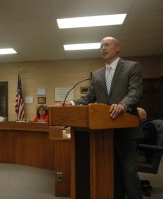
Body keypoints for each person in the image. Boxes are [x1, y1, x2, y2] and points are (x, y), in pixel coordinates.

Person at [55, 36, 143, 199]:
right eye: (101, 46)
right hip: (103, 132)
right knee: (111, 172)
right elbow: (88, 98)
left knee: (129, 171)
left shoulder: (132, 67)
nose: (103, 48)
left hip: (125, 130)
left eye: (107, 45)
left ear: (117, 48)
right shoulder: (96, 75)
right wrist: (72, 103)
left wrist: (123, 105)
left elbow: (134, 93)